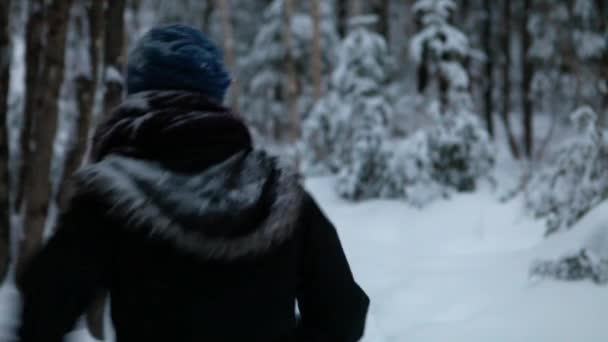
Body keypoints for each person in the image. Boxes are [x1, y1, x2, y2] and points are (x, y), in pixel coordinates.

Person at [16, 24, 369, 342]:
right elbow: (343, 313)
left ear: (137, 93)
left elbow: (43, 311)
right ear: (215, 95)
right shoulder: (279, 191)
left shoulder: (110, 194)